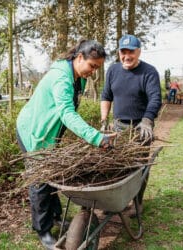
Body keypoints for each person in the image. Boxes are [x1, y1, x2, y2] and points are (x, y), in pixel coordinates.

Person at [16, 39, 116, 250]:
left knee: (52, 175)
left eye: (97, 68)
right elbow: (67, 113)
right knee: (41, 181)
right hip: (33, 132)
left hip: (48, 133)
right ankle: (43, 230)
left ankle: (55, 217)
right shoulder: (61, 77)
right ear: (80, 58)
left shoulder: (76, 77)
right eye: (92, 66)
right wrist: (96, 137)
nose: (93, 72)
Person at [100, 34, 162, 216]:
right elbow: (106, 96)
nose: (127, 56)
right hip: (118, 127)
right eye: (123, 52)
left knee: (139, 166)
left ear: (139, 52)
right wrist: (104, 121)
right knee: (115, 164)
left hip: (139, 127)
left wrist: (147, 120)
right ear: (119, 52)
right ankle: (115, 202)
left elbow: (155, 98)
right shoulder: (112, 70)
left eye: (131, 52)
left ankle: (137, 203)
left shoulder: (149, 72)